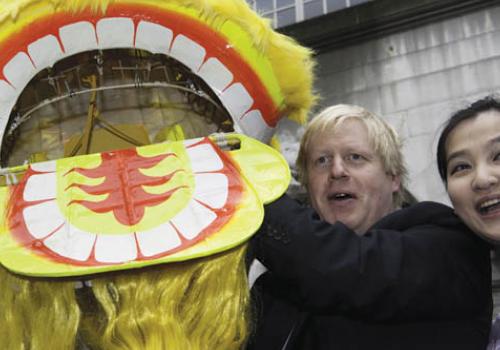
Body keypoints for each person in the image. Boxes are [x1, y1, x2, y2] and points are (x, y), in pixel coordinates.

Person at [249, 104, 492, 350]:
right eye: (321, 161)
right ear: (308, 185)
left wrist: (244, 195)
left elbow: (341, 266)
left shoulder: (448, 243)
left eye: (355, 157)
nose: (337, 171)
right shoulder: (272, 288)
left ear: (394, 177)